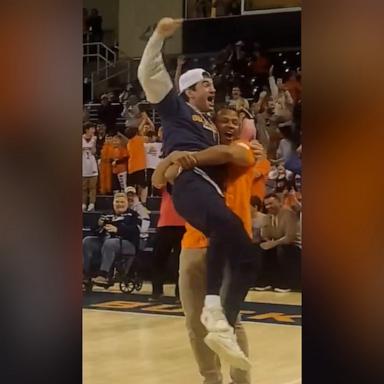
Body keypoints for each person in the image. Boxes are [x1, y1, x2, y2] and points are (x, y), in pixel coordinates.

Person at [138, 18, 263, 369]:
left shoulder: (221, 136)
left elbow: (227, 153)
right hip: (192, 198)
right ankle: (214, 319)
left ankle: (219, 321)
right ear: (188, 91)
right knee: (224, 228)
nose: (212, 88)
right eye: (205, 84)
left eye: (212, 84)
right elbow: (150, 75)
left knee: (246, 256)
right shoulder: (177, 109)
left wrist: (176, 161)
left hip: (201, 198)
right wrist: (160, 35)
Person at [153, 106, 267, 382]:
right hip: (193, 245)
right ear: (212, 127)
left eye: (235, 121)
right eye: (223, 121)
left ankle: (241, 380)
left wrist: (185, 159)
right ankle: (211, 378)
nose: (229, 125)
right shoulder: (201, 154)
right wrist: (172, 157)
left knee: (230, 321)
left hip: (228, 245)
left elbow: (229, 154)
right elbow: (158, 180)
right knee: (194, 321)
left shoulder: (246, 149)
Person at [83, 192, 141, 285]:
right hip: (106, 241)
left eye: (122, 202)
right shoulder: (107, 214)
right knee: (87, 241)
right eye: (117, 202)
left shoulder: (133, 215)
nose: (119, 204)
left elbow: (135, 231)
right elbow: (94, 231)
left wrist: (118, 229)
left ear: (127, 203)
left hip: (127, 244)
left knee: (110, 243)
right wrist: (99, 225)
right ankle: (85, 274)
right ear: (113, 203)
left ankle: (103, 275)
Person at [257, 193, 301, 292]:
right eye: (266, 205)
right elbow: (265, 235)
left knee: (282, 249)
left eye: (271, 203)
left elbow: (289, 237)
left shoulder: (289, 214)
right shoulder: (267, 217)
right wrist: (268, 243)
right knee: (261, 248)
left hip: (294, 247)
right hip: (278, 245)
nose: (268, 207)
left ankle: (286, 283)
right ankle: (266, 281)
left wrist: (272, 243)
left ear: (279, 202)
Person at [149, 189, 185, 302]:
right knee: (157, 259)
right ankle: (157, 291)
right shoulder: (166, 180)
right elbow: (156, 182)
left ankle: (180, 294)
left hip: (184, 224)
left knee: (180, 262)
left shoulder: (190, 180)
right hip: (164, 224)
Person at [82, 122, 98, 212]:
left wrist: (92, 144)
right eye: (92, 128)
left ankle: (92, 203)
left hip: (92, 165)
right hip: (83, 165)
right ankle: (83, 203)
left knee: (92, 187)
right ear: (87, 129)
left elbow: (93, 152)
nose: (94, 130)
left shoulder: (94, 138)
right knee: (83, 187)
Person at [144, 131, 163, 197]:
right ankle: (149, 196)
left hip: (157, 167)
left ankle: (156, 195)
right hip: (148, 167)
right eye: (149, 137)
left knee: (156, 182)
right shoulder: (145, 145)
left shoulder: (160, 144)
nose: (151, 139)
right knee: (148, 182)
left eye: (152, 137)